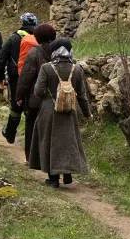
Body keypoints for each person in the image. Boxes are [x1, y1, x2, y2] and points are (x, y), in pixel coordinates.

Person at [28, 38, 93, 187]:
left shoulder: (46, 68)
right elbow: (82, 95)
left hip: (49, 111)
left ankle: (53, 179)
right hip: (69, 111)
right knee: (67, 143)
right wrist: (87, 114)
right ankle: (67, 174)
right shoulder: (76, 69)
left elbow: (38, 91)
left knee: (49, 142)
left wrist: (48, 95)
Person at [14, 23, 58, 157]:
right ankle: (51, 157)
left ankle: (32, 157)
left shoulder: (34, 52)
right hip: (56, 97)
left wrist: (19, 96)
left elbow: (26, 76)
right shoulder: (60, 51)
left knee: (32, 126)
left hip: (36, 98)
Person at [0, 13, 40, 144]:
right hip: (37, 77)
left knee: (16, 106)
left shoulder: (13, 38)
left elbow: (2, 58)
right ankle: (33, 140)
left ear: (21, 23)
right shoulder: (40, 38)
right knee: (33, 108)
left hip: (16, 77)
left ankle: (10, 133)